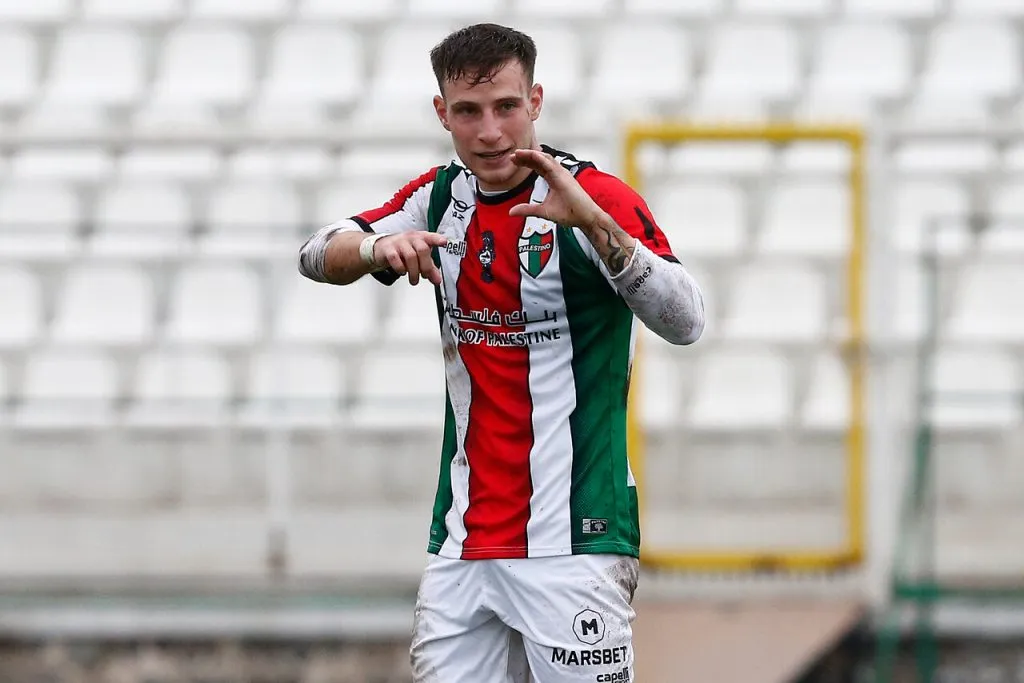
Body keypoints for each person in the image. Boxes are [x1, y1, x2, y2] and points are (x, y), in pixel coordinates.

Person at [298, 23, 705, 683]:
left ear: (535, 101)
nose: (490, 131)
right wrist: (377, 249)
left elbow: (687, 320)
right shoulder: (437, 199)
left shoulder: (593, 197)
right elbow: (316, 252)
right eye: (469, 111)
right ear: (443, 114)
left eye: (506, 107)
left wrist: (598, 231)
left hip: (576, 541)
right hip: (462, 544)